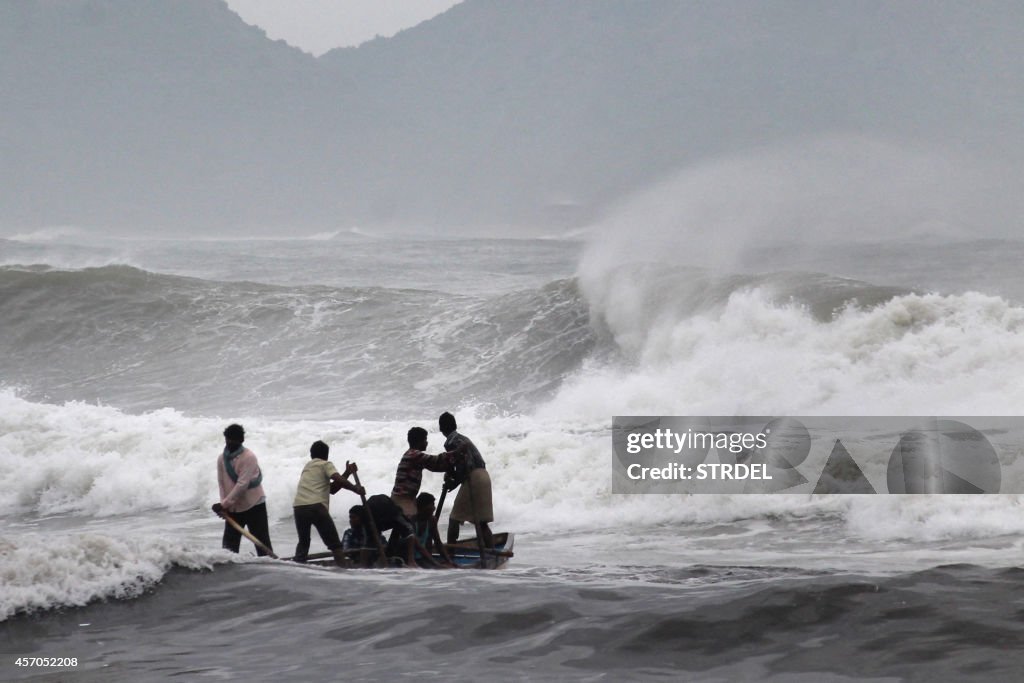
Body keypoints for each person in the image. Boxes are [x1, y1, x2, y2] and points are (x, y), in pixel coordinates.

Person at [292, 440, 364, 565]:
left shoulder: (308, 467)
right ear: (326, 455)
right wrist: (355, 488)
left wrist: (347, 473)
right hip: (316, 506)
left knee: (303, 543)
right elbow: (337, 479)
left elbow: (332, 489)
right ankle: (344, 573)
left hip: (299, 507)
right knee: (335, 545)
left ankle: (298, 569)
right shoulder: (325, 464)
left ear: (311, 455)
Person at [212, 423, 273, 556]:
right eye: (228, 439)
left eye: (233, 440)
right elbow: (221, 482)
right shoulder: (221, 458)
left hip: (254, 505)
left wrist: (224, 504)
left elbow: (242, 484)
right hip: (233, 507)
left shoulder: (249, 457)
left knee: (262, 544)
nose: (229, 442)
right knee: (228, 549)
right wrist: (224, 506)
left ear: (241, 441)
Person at [439, 412, 494, 549]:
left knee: (454, 519)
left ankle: (450, 553)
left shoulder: (451, 442)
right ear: (455, 425)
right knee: (481, 522)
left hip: (473, 478)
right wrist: (451, 474)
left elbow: (464, 466)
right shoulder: (463, 438)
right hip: (483, 476)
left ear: (441, 428)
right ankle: (491, 551)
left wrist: (453, 483)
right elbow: (458, 464)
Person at [362, 493, 446, 568]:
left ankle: (367, 565)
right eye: (432, 505)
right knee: (371, 541)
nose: (434, 508)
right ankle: (366, 564)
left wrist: (442, 562)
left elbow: (436, 542)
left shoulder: (430, 521)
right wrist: (411, 560)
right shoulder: (407, 519)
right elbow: (413, 540)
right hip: (375, 511)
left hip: (420, 558)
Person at [391, 426, 453, 517]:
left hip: (406, 498)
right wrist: (457, 452)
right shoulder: (414, 455)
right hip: (403, 499)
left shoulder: (412, 455)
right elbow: (436, 460)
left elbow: (435, 466)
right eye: (425, 440)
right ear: (419, 441)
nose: (427, 442)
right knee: (410, 525)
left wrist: (448, 466)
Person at [412, 492, 455, 568]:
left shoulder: (432, 520)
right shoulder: (412, 521)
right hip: (412, 559)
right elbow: (419, 547)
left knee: (451, 567)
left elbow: (438, 542)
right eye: (432, 504)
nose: (434, 508)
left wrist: (449, 561)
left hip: (423, 558)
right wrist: (436, 564)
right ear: (423, 507)